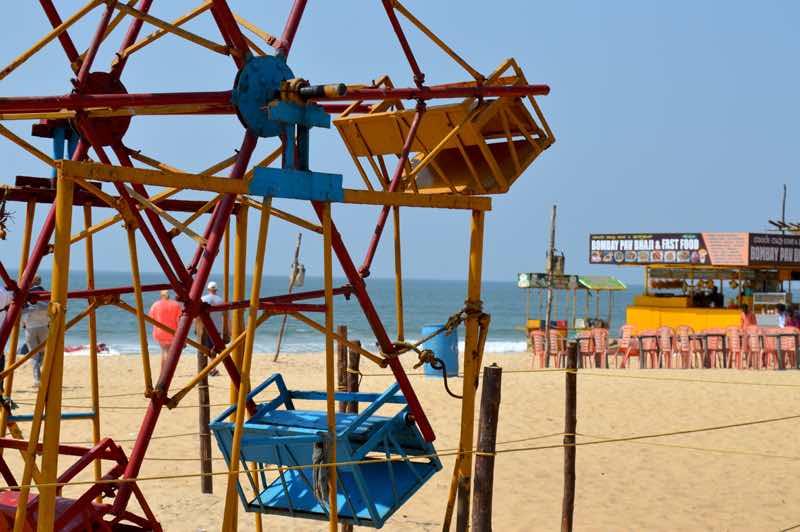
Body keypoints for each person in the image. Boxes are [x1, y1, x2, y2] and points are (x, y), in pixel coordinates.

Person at [22, 275, 49, 387]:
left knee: (34, 354)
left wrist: (23, 324)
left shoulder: (26, 294)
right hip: (44, 326)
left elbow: (22, 311)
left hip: (30, 327)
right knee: (44, 351)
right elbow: (50, 309)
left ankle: (37, 380)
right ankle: (44, 374)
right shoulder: (47, 293)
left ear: (32, 282)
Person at [148, 290, 182, 370]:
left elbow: (150, 318)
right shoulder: (176, 305)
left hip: (159, 331)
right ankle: (166, 370)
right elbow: (179, 319)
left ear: (161, 296)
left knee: (164, 351)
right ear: (169, 296)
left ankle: (164, 370)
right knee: (167, 352)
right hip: (172, 331)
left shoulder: (155, 305)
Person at [197, 281, 226, 376]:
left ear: (208, 289)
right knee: (214, 351)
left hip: (204, 329)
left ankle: (206, 370)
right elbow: (226, 317)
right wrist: (227, 332)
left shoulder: (203, 299)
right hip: (217, 329)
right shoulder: (221, 301)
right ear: (216, 290)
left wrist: (196, 328)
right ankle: (212, 368)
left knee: (204, 351)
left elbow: (197, 316)